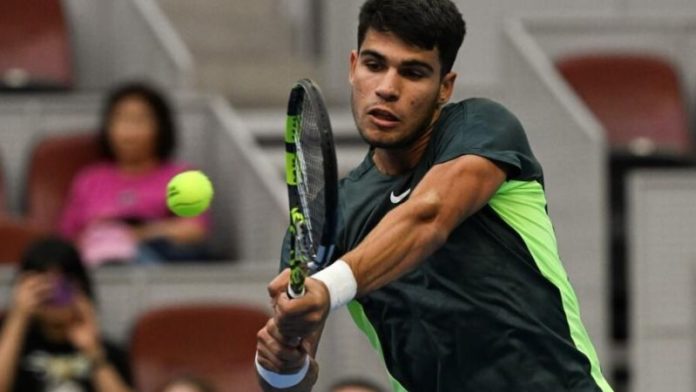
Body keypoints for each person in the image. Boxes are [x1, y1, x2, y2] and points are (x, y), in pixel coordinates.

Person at [255, 0, 614, 391]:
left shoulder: (481, 128)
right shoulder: (329, 219)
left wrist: (329, 286)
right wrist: (282, 360)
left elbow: (429, 215)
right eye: (374, 65)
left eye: (413, 72)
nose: (388, 89)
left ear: (445, 87)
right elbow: (290, 380)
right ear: (353, 67)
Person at [58, 82, 210, 266]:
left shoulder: (182, 176)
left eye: (139, 121)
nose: (129, 132)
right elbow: (68, 238)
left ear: (160, 127)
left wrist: (138, 234)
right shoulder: (89, 179)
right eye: (121, 120)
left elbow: (195, 229)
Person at [0, 237, 133, 392]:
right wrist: (18, 317)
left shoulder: (108, 352)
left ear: (82, 290)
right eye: (42, 290)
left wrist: (93, 351)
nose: (53, 297)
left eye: (63, 288)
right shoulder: (9, 345)